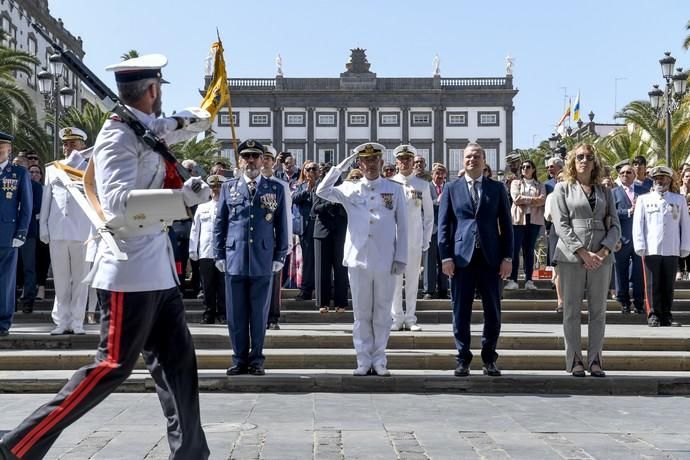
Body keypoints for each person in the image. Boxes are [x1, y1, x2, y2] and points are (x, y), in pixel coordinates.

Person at [1, 54, 212, 459]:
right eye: (160, 90)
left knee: (179, 366)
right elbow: (116, 205)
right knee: (110, 368)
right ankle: (18, 446)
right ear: (152, 91)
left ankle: (190, 454)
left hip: (158, 270)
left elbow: (165, 128)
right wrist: (181, 201)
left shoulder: (141, 127)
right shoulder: (118, 136)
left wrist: (195, 117)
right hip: (128, 271)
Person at [317, 142, 408, 376]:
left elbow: (403, 226)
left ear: (381, 162)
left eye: (374, 160)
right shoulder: (349, 187)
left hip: (386, 259)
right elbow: (322, 191)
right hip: (358, 259)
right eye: (365, 161)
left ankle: (379, 359)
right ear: (360, 163)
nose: (369, 165)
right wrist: (341, 166)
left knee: (382, 311)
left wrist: (402, 257)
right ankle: (363, 359)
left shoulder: (394, 189)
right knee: (361, 313)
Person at [214, 139, 289, 376]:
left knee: (259, 314)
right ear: (240, 160)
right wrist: (218, 253)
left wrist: (280, 253)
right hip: (235, 257)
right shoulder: (229, 187)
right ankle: (238, 359)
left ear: (262, 159)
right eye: (246, 157)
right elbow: (220, 223)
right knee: (236, 315)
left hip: (263, 258)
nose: (250, 161)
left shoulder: (274, 188)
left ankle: (256, 359)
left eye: (255, 157)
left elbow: (282, 224)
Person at [438, 142, 513, 377]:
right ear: (463, 161)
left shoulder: (497, 188)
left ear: (484, 160)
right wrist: (446, 256)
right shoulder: (451, 188)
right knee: (460, 311)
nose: (473, 160)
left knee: (493, 311)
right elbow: (443, 226)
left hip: (490, 259)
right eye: (469, 157)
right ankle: (463, 358)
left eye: (477, 156)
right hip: (461, 259)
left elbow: (507, 226)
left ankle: (489, 358)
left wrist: (508, 257)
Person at [551, 144, 620, 378]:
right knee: (571, 310)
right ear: (572, 161)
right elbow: (561, 225)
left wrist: (601, 253)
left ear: (595, 162)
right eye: (579, 157)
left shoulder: (605, 191)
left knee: (598, 311)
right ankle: (575, 360)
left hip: (601, 258)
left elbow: (616, 227)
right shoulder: (562, 189)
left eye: (589, 157)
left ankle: (595, 360)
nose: (584, 160)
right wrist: (582, 252)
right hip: (571, 257)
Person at [39, 127, 93, 335]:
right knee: (61, 279)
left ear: (82, 146)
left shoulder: (89, 168)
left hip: (83, 231)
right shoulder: (54, 169)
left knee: (81, 279)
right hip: (58, 229)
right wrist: (44, 226)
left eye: (72, 143)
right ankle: (61, 321)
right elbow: (47, 199)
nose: (67, 147)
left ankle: (77, 321)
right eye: (65, 143)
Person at [633, 166, 690, 327]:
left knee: (668, 284)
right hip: (651, 248)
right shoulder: (644, 199)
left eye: (663, 178)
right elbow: (638, 224)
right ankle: (653, 315)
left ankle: (666, 315)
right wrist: (640, 244)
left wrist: (685, 246)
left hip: (672, 248)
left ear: (669, 180)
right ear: (653, 180)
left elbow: (685, 225)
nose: (660, 180)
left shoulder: (678, 200)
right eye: (657, 178)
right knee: (652, 284)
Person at [390, 145, 433, 331]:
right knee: (395, 281)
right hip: (394, 239)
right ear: (396, 162)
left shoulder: (422, 185)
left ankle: (410, 318)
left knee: (413, 279)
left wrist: (426, 239)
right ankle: (397, 318)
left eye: (408, 159)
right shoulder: (389, 184)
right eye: (402, 159)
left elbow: (429, 215)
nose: (405, 162)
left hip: (414, 239)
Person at [0, 132, 32, 338]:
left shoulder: (18, 173)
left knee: (5, 281)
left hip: (7, 233)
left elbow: (26, 206)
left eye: (1, 147)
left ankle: (2, 323)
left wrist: (21, 232)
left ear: (9, 150)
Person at [261, 145, 292, 330]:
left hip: (273, 241)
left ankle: (272, 317)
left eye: (267, 158)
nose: (264, 161)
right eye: (261, 157)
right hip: (255, 241)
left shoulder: (281, 186)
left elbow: (286, 215)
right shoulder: (247, 183)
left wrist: (286, 243)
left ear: (273, 162)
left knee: (273, 282)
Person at [190, 174, 227, 324]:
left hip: (224, 252)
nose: (216, 190)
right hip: (206, 251)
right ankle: (209, 313)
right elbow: (195, 229)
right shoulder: (202, 207)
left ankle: (223, 313)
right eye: (213, 187)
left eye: (218, 187)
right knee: (207, 285)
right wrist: (193, 249)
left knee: (223, 285)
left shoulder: (228, 206)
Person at [505, 159, 546, 290]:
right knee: (515, 250)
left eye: (528, 167)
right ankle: (513, 279)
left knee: (529, 250)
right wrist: (534, 200)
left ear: (533, 169)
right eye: (522, 167)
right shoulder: (515, 183)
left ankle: (529, 280)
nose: (524, 169)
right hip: (518, 220)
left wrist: (527, 200)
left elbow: (543, 201)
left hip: (533, 220)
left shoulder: (540, 185)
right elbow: (516, 199)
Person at [312, 172, 349, 314]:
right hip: (322, 231)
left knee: (341, 268)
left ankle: (341, 303)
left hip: (341, 231)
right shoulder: (319, 187)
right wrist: (330, 202)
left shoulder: (344, 189)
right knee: (322, 269)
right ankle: (323, 303)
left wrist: (339, 202)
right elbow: (315, 208)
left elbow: (349, 209)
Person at [612, 163, 646, 315]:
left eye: (629, 172)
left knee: (639, 273)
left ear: (634, 175)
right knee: (621, 272)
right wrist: (628, 211)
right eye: (622, 173)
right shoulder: (613, 193)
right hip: (621, 239)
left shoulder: (644, 191)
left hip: (640, 239)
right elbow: (611, 214)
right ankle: (624, 302)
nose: (625, 175)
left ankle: (639, 303)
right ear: (619, 176)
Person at [292, 161, 320, 302]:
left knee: (322, 260)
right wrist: (307, 191)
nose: (311, 172)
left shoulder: (323, 185)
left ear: (319, 172)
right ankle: (306, 290)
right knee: (308, 260)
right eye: (308, 169)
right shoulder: (300, 186)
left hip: (322, 227)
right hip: (306, 228)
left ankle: (322, 290)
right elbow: (293, 199)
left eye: (314, 169)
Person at [17, 163, 43, 314]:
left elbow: (37, 206)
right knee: (12, 268)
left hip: (28, 231)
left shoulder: (35, 186)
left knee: (29, 267)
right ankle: (11, 301)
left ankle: (28, 301)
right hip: (9, 230)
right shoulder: (10, 183)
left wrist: (21, 207)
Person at [423, 163, 449, 300]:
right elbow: (423, 206)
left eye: (442, 174)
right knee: (429, 261)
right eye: (437, 173)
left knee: (444, 259)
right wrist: (437, 201)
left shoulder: (448, 188)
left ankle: (444, 290)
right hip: (431, 229)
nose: (440, 176)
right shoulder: (426, 187)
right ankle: (429, 290)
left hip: (445, 230)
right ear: (432, 175)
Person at [679, 169, 690, 280]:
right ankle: (681, 271)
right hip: (679, 224)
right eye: (687, 176)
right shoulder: (678, 192)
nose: (688, 178)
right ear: (682, 178)